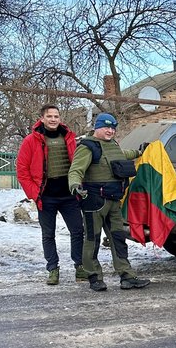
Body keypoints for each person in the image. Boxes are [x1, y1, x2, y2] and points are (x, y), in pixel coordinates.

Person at [68, 113, 149, 292]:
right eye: (106, 127)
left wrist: (140, 151)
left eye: (113, 127)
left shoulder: (113, 144)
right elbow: (76, 170)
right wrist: (75, 185)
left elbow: (122, 154)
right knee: (92, 239)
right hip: (94, 202)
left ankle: (127, 276)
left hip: (113, 201)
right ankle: (94, 277)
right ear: (97, 127)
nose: (110, 130)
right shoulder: (88, 147)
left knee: (118, 239)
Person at [16, 104, 86, 285]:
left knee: (78, 231)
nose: (53, 119)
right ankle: (53, 269)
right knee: (49, 234)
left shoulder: (69, 138)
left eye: (56, 116)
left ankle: (80, 266)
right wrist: (35, 194)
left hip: (69, 195)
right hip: (45, 197)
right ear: (42, 118)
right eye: (50, 116)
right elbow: (22, 171)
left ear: (60, 118)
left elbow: (78, 164)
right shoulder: (31, 140)